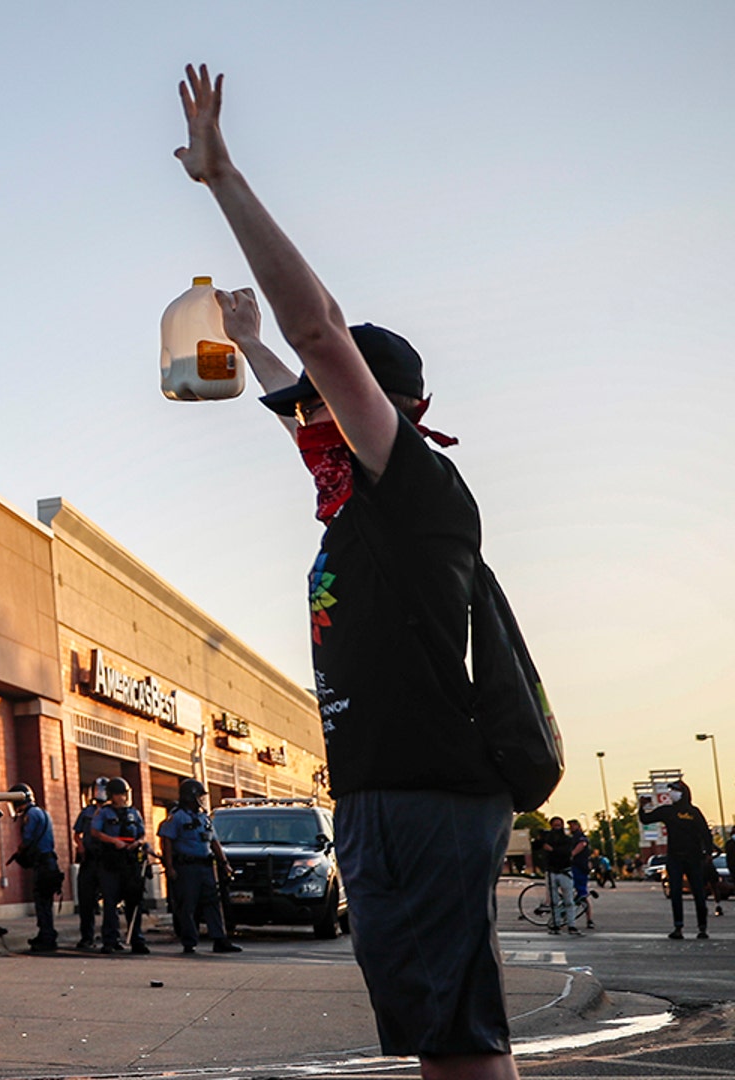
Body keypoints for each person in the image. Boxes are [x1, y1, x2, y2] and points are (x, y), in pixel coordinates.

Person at [180, 64, 520, 1079]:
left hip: (422, 795)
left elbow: (317, 334)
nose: (309, 414)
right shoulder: (351, 493)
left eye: (334, 396)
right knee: (444, 1037)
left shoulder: (413, 489)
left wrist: (222, 177)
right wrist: (246, 345)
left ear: (388, 410)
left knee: (456, 1045)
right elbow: (300, 383)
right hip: (394, 796)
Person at [158, 779, 240, 955]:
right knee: (188, 905)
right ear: (190, 797)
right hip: (186, 868)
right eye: (199, 796)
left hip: (205, 867)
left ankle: (219, 939)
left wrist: (225, 864)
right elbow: (167, 842)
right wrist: (170, 867)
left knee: (212, 902)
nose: (201, 800)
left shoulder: (204, 817)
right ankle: (189, 942)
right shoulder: (177, 816)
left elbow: (214, 841)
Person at [639, 780, 720, 939]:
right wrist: (642, 807)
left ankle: (702, 928)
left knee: (698, 892)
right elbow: (646, 819)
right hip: (675, 858)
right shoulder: (668, 811)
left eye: (674, 790)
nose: (671, 793)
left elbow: (705, 832)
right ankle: (678, 927)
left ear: (683, 792)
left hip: (694, 858)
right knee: (675, 892)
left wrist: (708, 853)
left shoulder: (694, 812)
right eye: (670, 790)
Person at [90, 778, 151, 954]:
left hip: (130, 861)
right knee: (110, 901)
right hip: (111, 860)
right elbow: (95, 832)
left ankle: (137, 939)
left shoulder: (134, 813)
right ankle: (110, 939)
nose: (123, 798)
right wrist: (113, 841)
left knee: (134, 900)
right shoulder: (103, 813)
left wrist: (138, 843)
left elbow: (142, 834)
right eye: (119, 794)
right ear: (112, 795)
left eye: (124, 794)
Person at [9, 783, 62, 952]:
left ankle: (46, 936)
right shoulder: (42, 812)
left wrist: (19, 851)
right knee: (46, 901)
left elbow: (28, 840)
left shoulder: (30, 815)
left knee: (42, 902)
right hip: (51, 862)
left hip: (43, 864)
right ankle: (47, 933)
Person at [70, 781, 109, 951]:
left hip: (107, 861)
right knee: (86, 900)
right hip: (89, 859)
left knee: (110, 900)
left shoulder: (113, 812)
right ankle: (87, 937)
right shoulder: (87, 812)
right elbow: (77, 833)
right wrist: (80, 845)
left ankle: (110, 938)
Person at [530, 819, 580, 936]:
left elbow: (567, 852)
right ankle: (556, 924)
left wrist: (552, 849)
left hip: (564, 871)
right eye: (555, 825)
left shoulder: (567, 839)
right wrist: (539, 838)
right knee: (554, 901)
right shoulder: (548, 838)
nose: (557, 827)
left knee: (568, 900)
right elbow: (535, 846)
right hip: (552, 871)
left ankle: (571, 925)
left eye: (559, 825)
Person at [567, 821, 594, 928]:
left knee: (582, 894)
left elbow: (582, 844)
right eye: (570, 826)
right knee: (575, 892)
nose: (571, 827)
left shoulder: (580, 837)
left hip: (579, 867)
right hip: (575, 866)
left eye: (573, 825)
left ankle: (589, 919)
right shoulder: (572, 837)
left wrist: (572, 854)